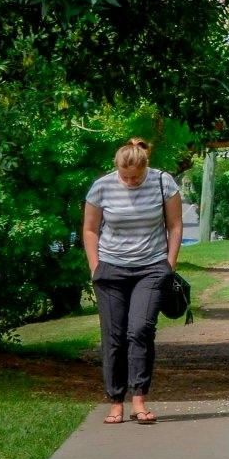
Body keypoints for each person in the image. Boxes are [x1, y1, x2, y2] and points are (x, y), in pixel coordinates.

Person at [83, 138, 184, 426]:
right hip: (111, 269)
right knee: (113, 338)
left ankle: (139, 397)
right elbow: (90, 230)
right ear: (116, 169)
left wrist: (169, 264)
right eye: (125, 176)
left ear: (145, 167)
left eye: (136, 176)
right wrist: (95, 267)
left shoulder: (164, 183)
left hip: (151, 268)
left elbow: (175, 225)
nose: (130, 181)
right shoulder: (102, 187)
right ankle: (116, 402)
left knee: (139, 330)